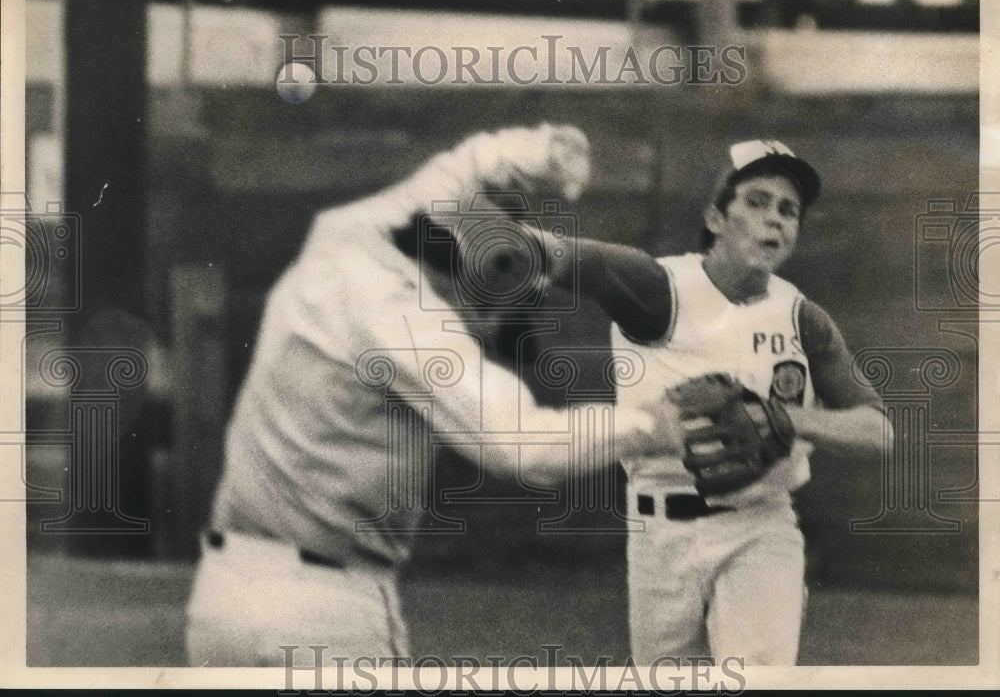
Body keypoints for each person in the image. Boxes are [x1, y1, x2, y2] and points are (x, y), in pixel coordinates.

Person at [184, 123, 686, 667]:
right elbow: (521, 447)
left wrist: (547, 150)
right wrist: (651, 425)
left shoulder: (352, 235)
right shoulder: (410, 322)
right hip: (325, 613)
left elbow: (468, 164)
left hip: (221, 599)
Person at [611, 139, 891, 666]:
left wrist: (784, 415)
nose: (776, 220)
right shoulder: (659, 288)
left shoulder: (803, 317)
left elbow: (878, 430)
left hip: (758, 525)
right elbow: (579, 264)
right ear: (716, 217)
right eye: (757, 202)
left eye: (789, 210)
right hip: (657, 530)